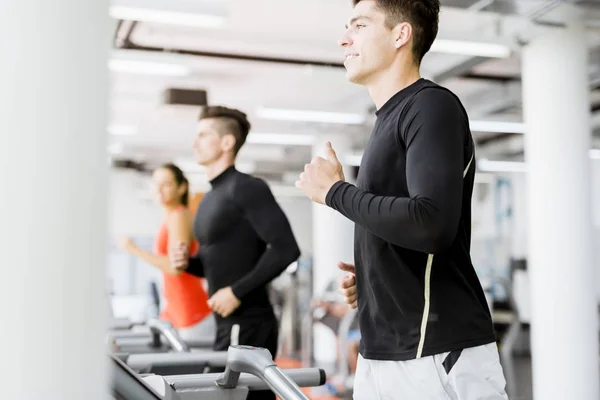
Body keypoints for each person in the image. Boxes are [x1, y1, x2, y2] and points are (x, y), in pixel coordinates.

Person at [295, 1, 508, 399]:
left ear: (400, 34)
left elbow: (430, 223)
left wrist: (335, 192)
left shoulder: (430, 106)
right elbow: (408, 227)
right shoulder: (386, 121)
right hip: (384, 352)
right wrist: (377, 276)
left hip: (433, 350)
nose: (344, 38)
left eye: (359, 25)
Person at [171, 105, 301, 400]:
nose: (195, 142)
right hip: (226, 322)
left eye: (203, 135)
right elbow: (217, 262)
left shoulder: (247, 188)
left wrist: (236, 292)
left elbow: (286, 249)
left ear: (227, 142)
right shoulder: (209, 197)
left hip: (248, 321)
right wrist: (189, 264)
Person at [117, 163, 214, 341]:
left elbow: (175, 267)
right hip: (176, 311)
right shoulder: (171, 216)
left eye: (166, 184)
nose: (159, 189)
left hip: (191, 314)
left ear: (181, 188)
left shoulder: (178, 215)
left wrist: (134, 250)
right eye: (156, 184)